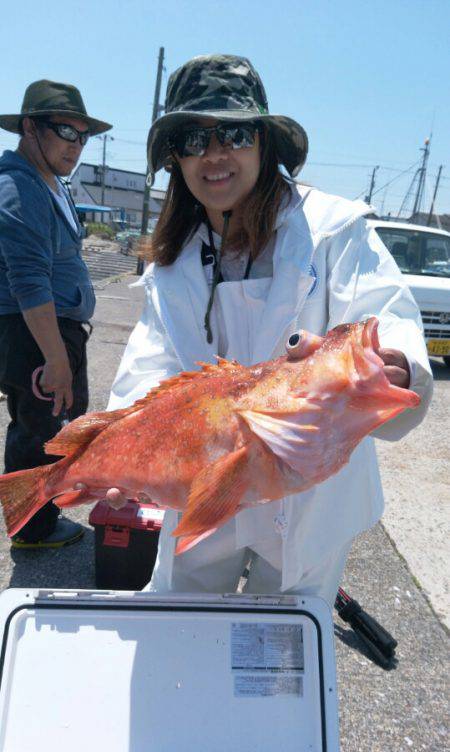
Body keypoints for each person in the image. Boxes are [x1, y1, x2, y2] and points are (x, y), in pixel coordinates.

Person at [106, 54, 432, 605]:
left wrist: (397, 361)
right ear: (176, 160)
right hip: (207, 476)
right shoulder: (172, 261)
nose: (214, 155)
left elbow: (384, 310)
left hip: (312, 491)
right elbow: (149, 366)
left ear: (263, 143)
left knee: (286, 650)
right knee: (182, 612)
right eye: (192, 139)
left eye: (232, 133)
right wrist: (123, 447)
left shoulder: (333, 228)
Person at [0, 80, 112, 548]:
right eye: (66, 130)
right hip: (35, 335)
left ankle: (36, 517)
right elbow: (29, 278)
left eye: (84, 136)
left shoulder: (51, 182)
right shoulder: (18, 186)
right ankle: (32, 529)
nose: (76, 145)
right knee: (40, 429)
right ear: (29, 127)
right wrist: (57, 358)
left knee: (53, 427)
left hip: (54, 332)